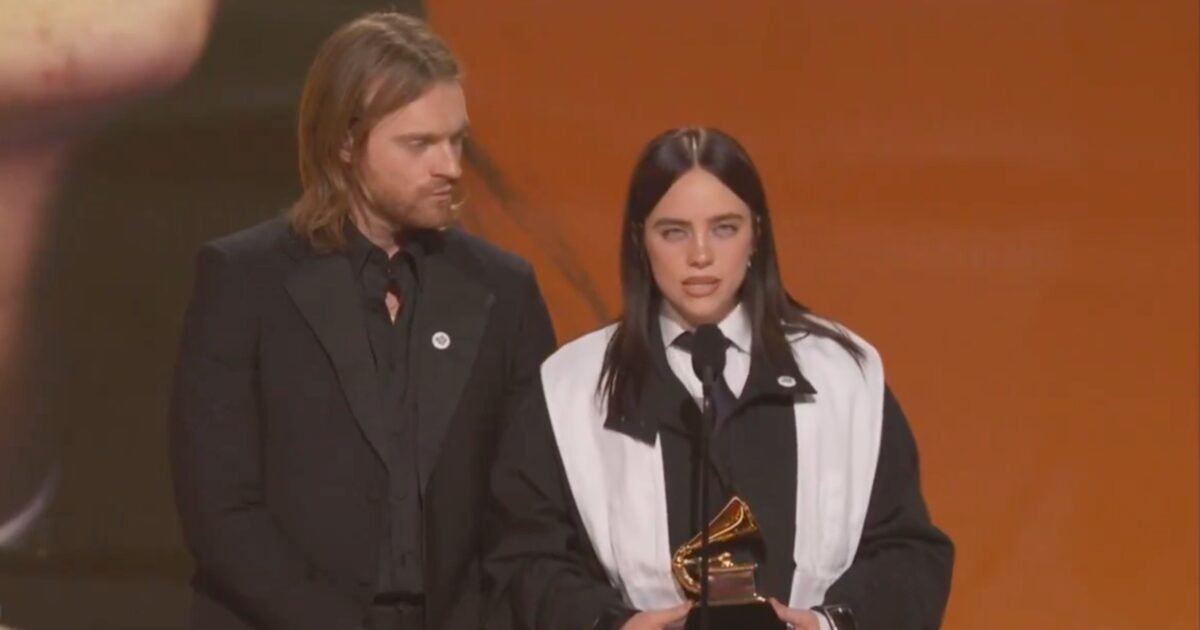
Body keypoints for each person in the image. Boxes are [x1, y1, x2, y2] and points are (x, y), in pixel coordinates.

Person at [168, 11, 555, 630]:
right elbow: (220, 509)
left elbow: (531, 506)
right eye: (419, 145)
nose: (451, 167)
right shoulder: (244, 282)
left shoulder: (502, 292)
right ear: (345, 144)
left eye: (456, 140)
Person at [485, 127, 953, 630]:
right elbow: (523, 561)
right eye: (674, 232)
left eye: (724, 228)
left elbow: (908, 553)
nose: (701, 255)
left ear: (757, 235)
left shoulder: (843, 376)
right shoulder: (571, 388)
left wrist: (829, 624)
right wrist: (612, 625)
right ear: (640, 240)